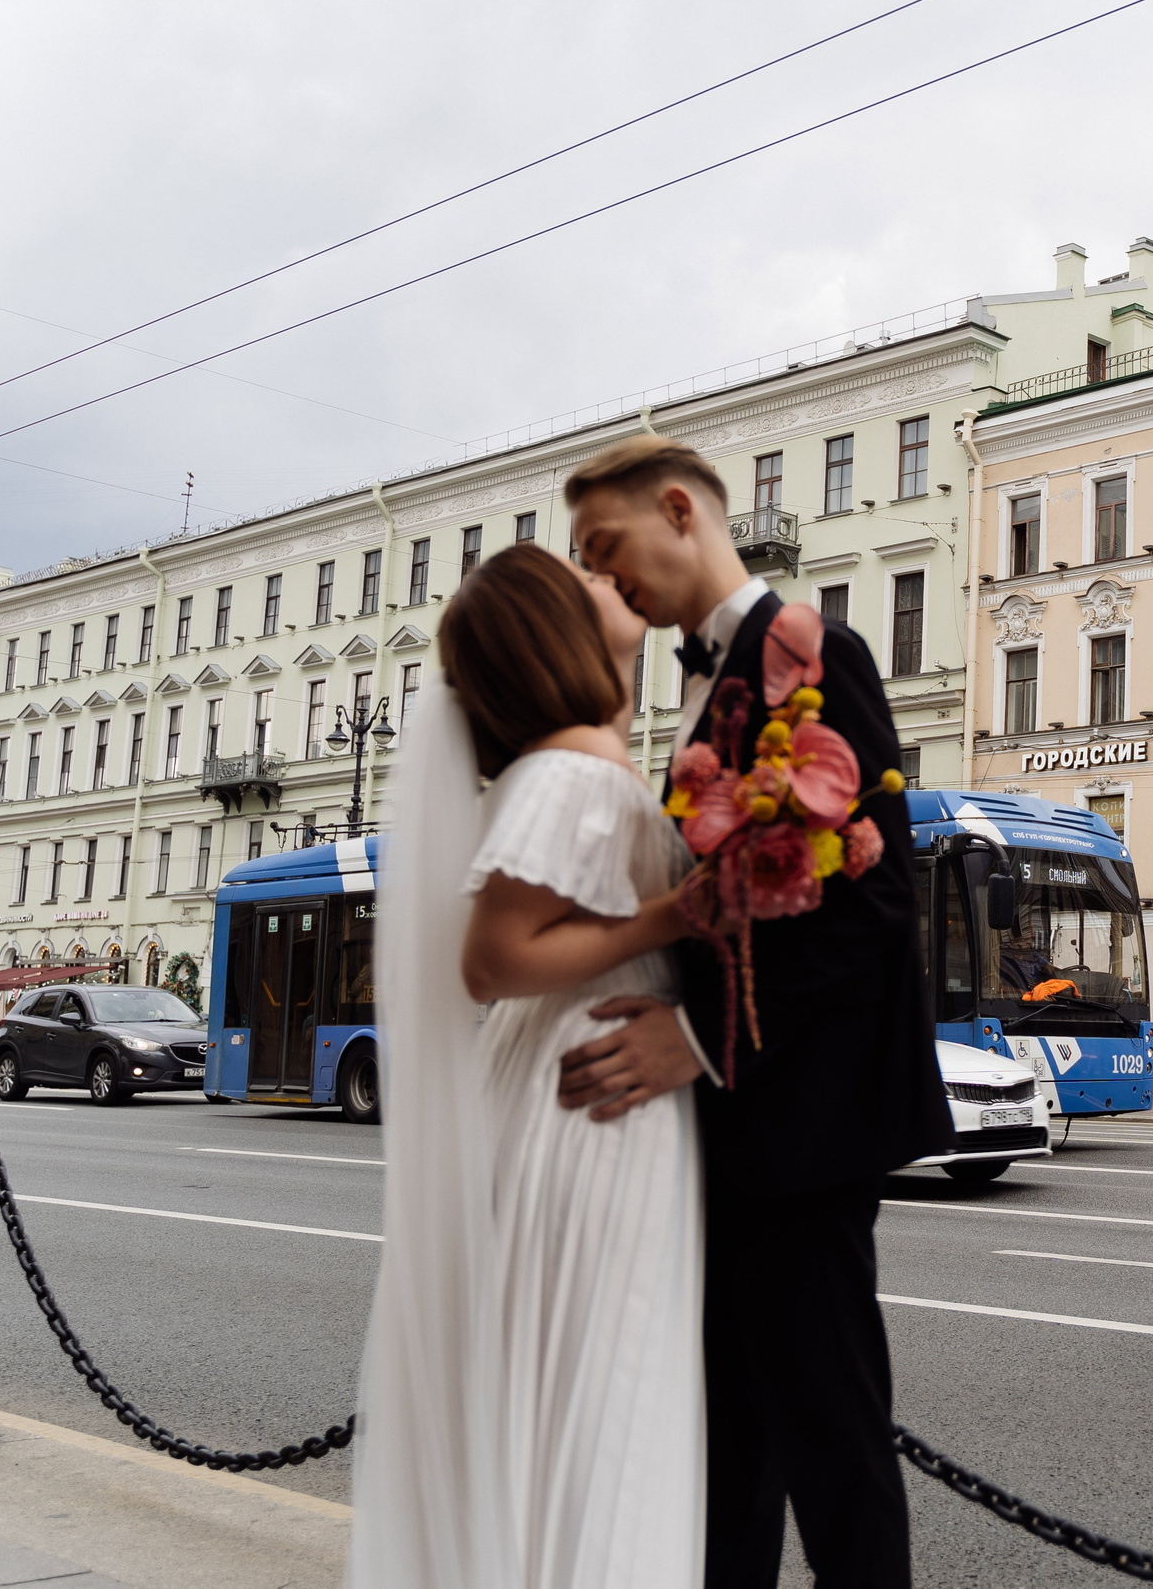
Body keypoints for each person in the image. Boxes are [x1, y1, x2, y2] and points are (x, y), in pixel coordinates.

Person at [550, 435, 951, 1589]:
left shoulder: (811, 653)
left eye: (606, 546)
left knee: (830, 1438)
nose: (601, 576)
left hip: (807, 1122)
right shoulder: (705, 683)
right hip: (737, 1132)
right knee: (732, 1440)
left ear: (680, 510)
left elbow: (869, 906)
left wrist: (697, 1039)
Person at [350, 544, 705, 1588]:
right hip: (589, 1102)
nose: (613, 578)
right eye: (586, 580)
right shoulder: (572, 769)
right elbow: (493, 959)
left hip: (585, 1082)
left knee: (580, 1396)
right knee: (595, 1397)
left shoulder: (574, 762)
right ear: (553, 632)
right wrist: (681, 911)